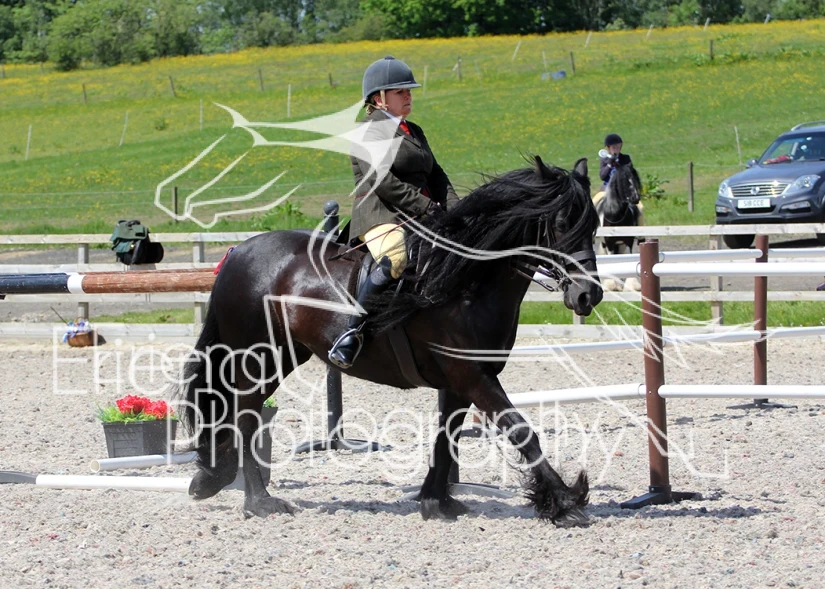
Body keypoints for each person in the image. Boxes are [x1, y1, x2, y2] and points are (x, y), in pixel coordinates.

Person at [328, 56, 458, 369]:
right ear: (379, 99)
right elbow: (383, 183)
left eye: (408, 90)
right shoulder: (368, 132)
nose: (408, 95)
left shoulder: (414, 131)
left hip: (420, 214)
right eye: (400, 91)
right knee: (398, 257)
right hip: (381, 213)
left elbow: (437, 175)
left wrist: (458, 210)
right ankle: (352, 332)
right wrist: (426, 207)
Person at [592, 133, 645, 225]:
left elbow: (630, 174)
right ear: (608, 148)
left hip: (624, 191)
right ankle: (593, 228)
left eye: (618, 147)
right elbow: (602, 176)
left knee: (640, 208)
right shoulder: (604, 159)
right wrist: (609, 164)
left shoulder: (625, 158)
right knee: (594, 204)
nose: (617, 149)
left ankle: (640, 231)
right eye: (614, 147)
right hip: (606, 190)